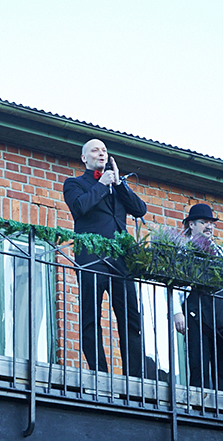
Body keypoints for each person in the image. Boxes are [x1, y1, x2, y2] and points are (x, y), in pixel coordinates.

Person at [63, 139, 146, 376]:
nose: (101, 153)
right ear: (84, 158)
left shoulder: (116, 185)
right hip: (92, 257)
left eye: (104, 150)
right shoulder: (74, 183)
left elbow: (140, 210)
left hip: (121, 259)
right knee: (91, 316)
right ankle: (98, 372)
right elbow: (79, 208)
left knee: (130, 317)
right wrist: (101, 184)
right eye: (95, 150)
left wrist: (118, 183)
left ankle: (135, 376)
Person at [173, 203, 223, 391]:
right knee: (197, 362)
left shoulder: (222, 252)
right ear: (191, 225)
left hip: (221, 314)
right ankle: (196, 405)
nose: (209, 226)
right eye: (204, 222)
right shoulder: (183, 251)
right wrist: (177, 312)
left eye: (212, 223)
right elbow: (172, 285)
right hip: (196, 313)